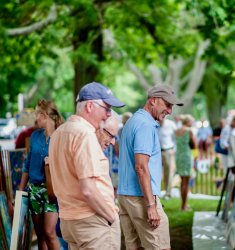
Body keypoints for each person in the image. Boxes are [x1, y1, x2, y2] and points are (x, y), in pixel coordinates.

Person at [49, 82, 125, 249]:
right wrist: (111, 216)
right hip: (92, 222)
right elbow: (88, 190)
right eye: (106, 108)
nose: (108, 114)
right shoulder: (84, 134)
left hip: (70, 219)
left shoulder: (59, 132)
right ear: (90, 106)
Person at [118, 84, 183, 250]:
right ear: (153, 101)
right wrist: (151, 206)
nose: (170, 111)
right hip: (141, 198)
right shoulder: (145, 125)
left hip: (125, 197)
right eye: (167, 105)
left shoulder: (133, 121)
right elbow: (141, 167)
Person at [19, 99, 64, 250]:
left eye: (37, 114)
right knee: (40, 235)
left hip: (52, 191)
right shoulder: (35, 136)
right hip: (34, 190)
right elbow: (27, 165)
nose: (35, 118)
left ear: (44, 115)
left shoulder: (61, 136)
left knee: (49, 232)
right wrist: (21, 190)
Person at [175, 114, 196, 211]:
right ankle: (184, 206)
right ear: (187, 122)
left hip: (178, 156)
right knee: (186, 182)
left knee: (181, 181)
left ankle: (182, 205)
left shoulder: (176, 131)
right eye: (191, 121)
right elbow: (194, 145)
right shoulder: (189, 131)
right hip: (187, 156)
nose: (192, 123)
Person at [159, 117, 177, 199]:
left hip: (168, 151)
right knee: (157, 173)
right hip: (156, 152)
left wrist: (174, 149)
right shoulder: (154, 124)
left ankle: (168, 193)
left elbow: (176, 138)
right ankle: (156, 193)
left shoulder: (171, 124)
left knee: (169, 173)